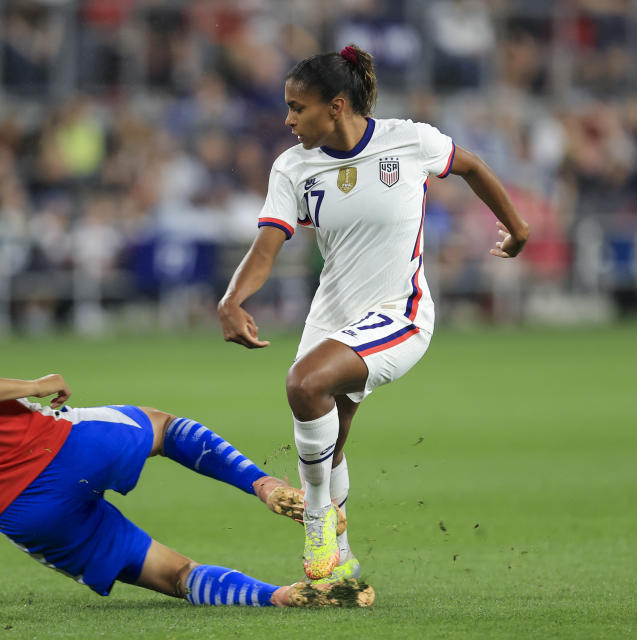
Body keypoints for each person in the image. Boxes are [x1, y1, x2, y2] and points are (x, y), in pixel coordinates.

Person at [0, 183, 375, 609]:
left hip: (18, 514)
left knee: (173, 575)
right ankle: (266, 485)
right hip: (56, 452)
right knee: (161, 427)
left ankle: (278, 598)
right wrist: (34, 386)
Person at [217, 45, 530, 585]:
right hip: (331, 315)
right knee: (330, 441)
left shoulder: (409, 140)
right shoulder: (292, 167)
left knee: (304, 384)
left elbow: (472, 165)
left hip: (399, 313)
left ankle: (317, 520)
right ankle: (340, 561)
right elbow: (267, 245)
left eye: (298, 107)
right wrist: (231, 299)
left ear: (336, 106)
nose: (288, 119)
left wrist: (517, 228)